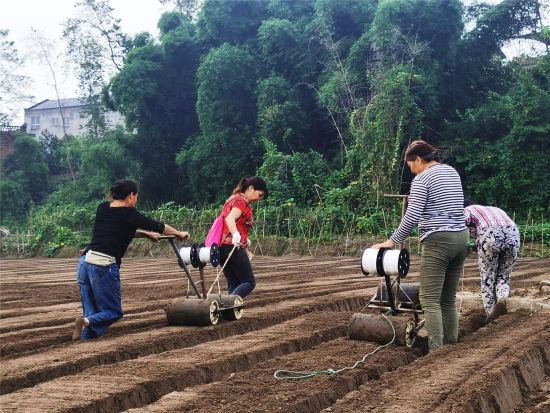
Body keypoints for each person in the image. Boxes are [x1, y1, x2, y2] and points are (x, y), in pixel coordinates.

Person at [372, 140, 469, 352]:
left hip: (439, 240)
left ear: (418, 159)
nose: (412, 171)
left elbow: (412, 215)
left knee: (429, 299)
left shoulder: (422, 179)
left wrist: (392, 240)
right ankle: (451, 346)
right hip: (462, 238)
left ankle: (436, 352)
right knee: (448, 299)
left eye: (411, 166)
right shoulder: (452, 172)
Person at [73, 179, 189, 341]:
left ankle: (85, 339)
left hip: (85, 263)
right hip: (103, 265)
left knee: (91, 312)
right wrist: (179, 233)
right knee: (113, 312)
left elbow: (121, 229)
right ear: (131, 195)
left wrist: (146, 235)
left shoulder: (103, 208)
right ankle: (86, 322)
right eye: (136, 196)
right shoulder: (130, 214)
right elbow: (159, 226)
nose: (136, 200)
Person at [463, 199, 520, 322]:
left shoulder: (467, 210)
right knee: (504, 275)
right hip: (513, 234)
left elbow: (461, 223)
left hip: (490, 233)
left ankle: (491, 314)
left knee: (488, 278)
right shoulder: (494, 210)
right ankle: (502, 298)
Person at [218, 176, 268, 299]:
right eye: (259, 195)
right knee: (249, 282)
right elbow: (230, 218)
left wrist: (244, 237)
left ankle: (229, 309)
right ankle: (228, 304)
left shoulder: (233, 198)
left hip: (221, 247)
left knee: (234, 283)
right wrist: (236, 234)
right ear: (250, 188)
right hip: (232, 247)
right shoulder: (241, 201)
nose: (258, 199)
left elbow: (233, 221)